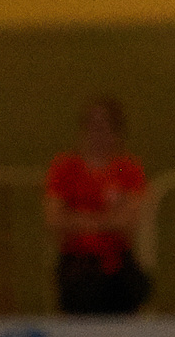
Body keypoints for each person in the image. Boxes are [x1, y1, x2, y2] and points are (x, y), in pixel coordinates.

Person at [44, 97, 151, 315]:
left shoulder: (127, 169)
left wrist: (80, 218)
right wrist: (105, 220)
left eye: (105, 127)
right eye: (92, 126)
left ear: (116, 131)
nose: (98, 134)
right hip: (77, 268)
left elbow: (129, 220)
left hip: (117, 268)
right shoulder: (66, 167)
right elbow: (54, 218)